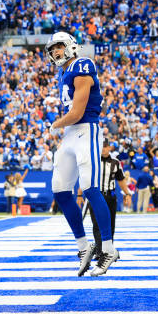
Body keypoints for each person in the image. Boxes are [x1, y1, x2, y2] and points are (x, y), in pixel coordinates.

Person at [46, 31, 118, 277]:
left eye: (59, 46)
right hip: (70, 134)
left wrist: (54, 125)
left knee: (89, 188)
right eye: (52, 49)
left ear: (70, 46)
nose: (55, 52)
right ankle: (83, 247)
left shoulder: (82, 64)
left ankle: (108, 248)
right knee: (60, 190)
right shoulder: (63, 71)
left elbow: (77, 112)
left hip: (85, 129)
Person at [85, 139, 131, 259]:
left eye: (106, 146)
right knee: (96, 224)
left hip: (110, 196)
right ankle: (100, 251)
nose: (104, 149)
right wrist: (80, 194)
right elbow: (85, 178)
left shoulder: (116, 162)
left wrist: (127, 194)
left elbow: (121, 180)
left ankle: (108, 249)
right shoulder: (93, 161)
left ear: (110, 147)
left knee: (110, 225)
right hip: (95, 196)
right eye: (101, 146)